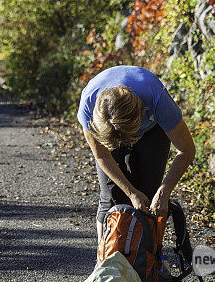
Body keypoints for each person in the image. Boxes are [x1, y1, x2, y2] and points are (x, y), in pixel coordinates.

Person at [77, 66, 196, 242]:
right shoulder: (88, 107)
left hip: (151, 129)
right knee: (111, 197)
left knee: (151, 198)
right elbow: (102, 156)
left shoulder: (157, 99)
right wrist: (131, 193)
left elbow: (186, 150)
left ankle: (150, 258)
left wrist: (163, 193)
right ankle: (105, 258)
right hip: (109, 128)